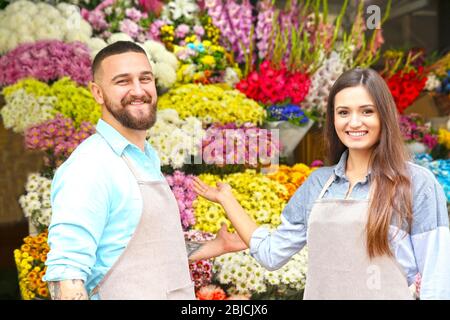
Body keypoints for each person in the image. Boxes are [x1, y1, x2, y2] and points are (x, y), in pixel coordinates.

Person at [194, 68, 450, 300]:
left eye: (367, 111)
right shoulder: (318, 183)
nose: (354, 122)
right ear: (333, 119)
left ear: (384, 115)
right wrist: (227, 200)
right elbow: (271, 253)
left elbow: (438, 281)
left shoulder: (416, 183)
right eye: (343, 113)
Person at [43, 41, 246, 300]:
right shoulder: (89, 167)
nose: (138, 90)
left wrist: (216, 246)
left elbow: (144, 249)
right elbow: (65, 275)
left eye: (145, 78)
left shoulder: (144, 156)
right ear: (97, 93)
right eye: (122, 81)